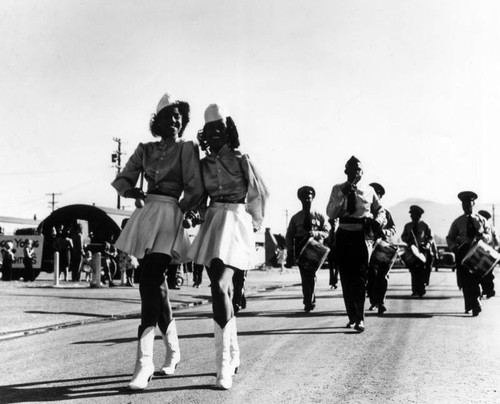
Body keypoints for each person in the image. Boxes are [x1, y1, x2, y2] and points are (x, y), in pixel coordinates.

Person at [111, 92, 203, 390]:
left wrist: (188, 212)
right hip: (147, 214)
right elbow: (124, 178)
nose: (175, 120)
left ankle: (144, 362)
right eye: (169, 116)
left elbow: (194, 186)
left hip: (171, 217)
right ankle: (174, 351)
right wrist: (133, 193)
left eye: (179, 116)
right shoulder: (145, 149)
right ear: (158, 121)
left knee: (149, 278)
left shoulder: (188, 148)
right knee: (154, 284)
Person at [188, 103, 269, 389]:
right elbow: (198, 197)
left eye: (220, 130)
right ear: (205, 134)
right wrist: (191, 213)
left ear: (228, 131)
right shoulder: (204, 164)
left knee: (220, 287)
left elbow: (259, 192)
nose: (215, 135)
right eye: (210, 131)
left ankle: (222, 365)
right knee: (224, 290)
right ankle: (233, 354)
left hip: (236, 223)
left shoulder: (241, 158)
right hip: (213, 224)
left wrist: (253, 224)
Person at [326, 156, 385, 332]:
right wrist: (343, 193)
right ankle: (351, 316)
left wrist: (378, 221)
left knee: (360, 278)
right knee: (346, 278)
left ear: (362, 172)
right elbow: (331, 213)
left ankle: (360, 318)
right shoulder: (337, 189)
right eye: (351, 170)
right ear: (346, 172)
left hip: (362, 236)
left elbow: (380, 210)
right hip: (344, 234)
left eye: (358, 170)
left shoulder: (369, 191)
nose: (355, 173)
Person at [447, 192, 491, 316]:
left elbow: (489, 235)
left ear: (473, 203)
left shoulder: (481, 220)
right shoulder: (457, 222)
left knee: (477, 278)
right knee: (466, 281)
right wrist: (454, 247)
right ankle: (470, 303)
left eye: (468, 202)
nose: (466, 205)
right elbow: (449, 237)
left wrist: (483, 237)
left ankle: (476, 301)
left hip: (478, 252)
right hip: (463, 252)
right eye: (464, 203)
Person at [285, 186, 329, 312]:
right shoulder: (295, 218)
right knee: (305, 276)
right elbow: (289, 236)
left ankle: (309, 299)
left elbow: (327, 232)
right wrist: (290, 252)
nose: (307, 200)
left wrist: (316, 234)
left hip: (314, 248)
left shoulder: (319, 216)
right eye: (304, 198)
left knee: (312, 274)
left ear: (312, 198)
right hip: (300, 247)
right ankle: (308, 300)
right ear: (300, 200)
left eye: (309, 198)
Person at [366, 182, 396, 315]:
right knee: (370, 276)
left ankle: (381, 302)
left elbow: (393, 229)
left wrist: (386, 233)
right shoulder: (364, 212)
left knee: (383, 275)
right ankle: (374, 300)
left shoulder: (386, 213)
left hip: (382, 248)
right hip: (368, 247)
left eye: (377, 195)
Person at [401, 205, 434, 297]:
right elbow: (403, 237)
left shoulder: (425, 225)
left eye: (415, 214)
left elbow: (431, 237)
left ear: (419, 215)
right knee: (413, 270)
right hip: (412, 250)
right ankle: (415, 289)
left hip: (422, 249)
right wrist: (408, 239)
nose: (412, 216)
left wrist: (427, 245)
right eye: (411, 214)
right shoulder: (408, 226)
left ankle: (421, 287)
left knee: (423, 269)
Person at [477, 210, 497, 298]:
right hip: (488, 252)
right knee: (488, 273)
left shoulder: (487, 228)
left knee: (485, 273)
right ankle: (488, 290)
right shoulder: (491, 228)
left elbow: (496, 241)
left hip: (485, 252)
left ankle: (488, 290)